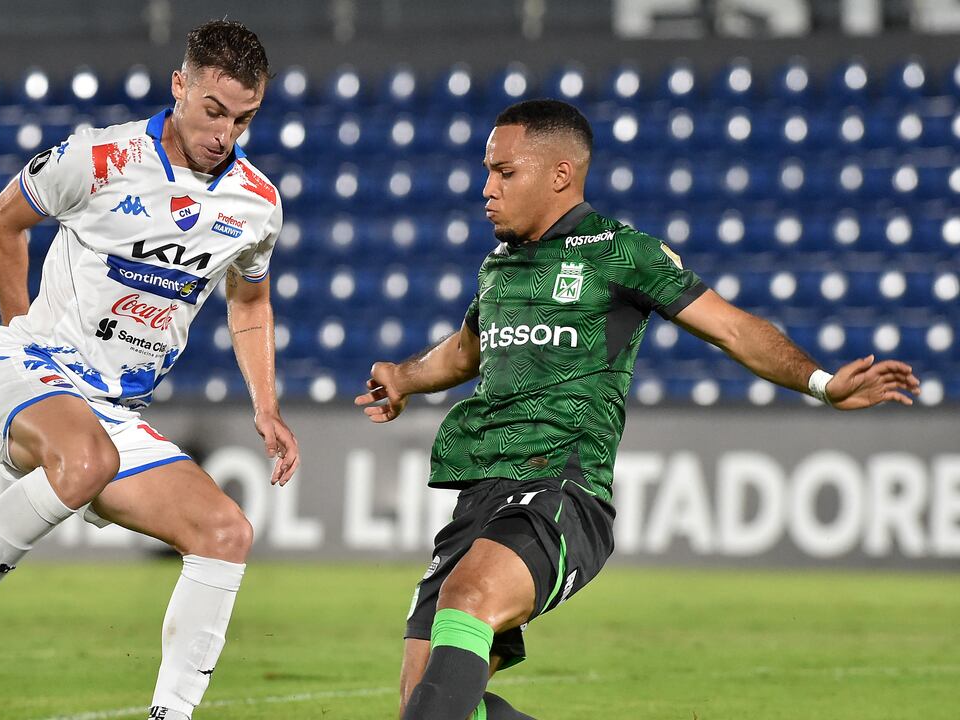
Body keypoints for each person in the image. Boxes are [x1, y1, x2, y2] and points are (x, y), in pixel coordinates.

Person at [355, 99, 920, 720]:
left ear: (560, 175)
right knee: (426, 705)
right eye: (488, 171)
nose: (485, 189)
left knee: (468, 598)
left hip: (560, 487)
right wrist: (405, 376)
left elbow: (732, 329)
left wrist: (820, 383)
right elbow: (468, 351)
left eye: (504, 172)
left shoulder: (620, 253)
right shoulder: (500, 267)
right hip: (479, 495)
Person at [0, 20, 298, 719]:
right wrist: (16, 330)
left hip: (114, 414)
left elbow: (250, 302)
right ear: (179, 85)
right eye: (213, 110)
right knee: (84, 457)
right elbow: (3, 222)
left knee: (225, 533)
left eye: (244, 119)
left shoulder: (257, 205)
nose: (225, 134)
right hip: (26, 368)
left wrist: (266, 406)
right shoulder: (100, 156)